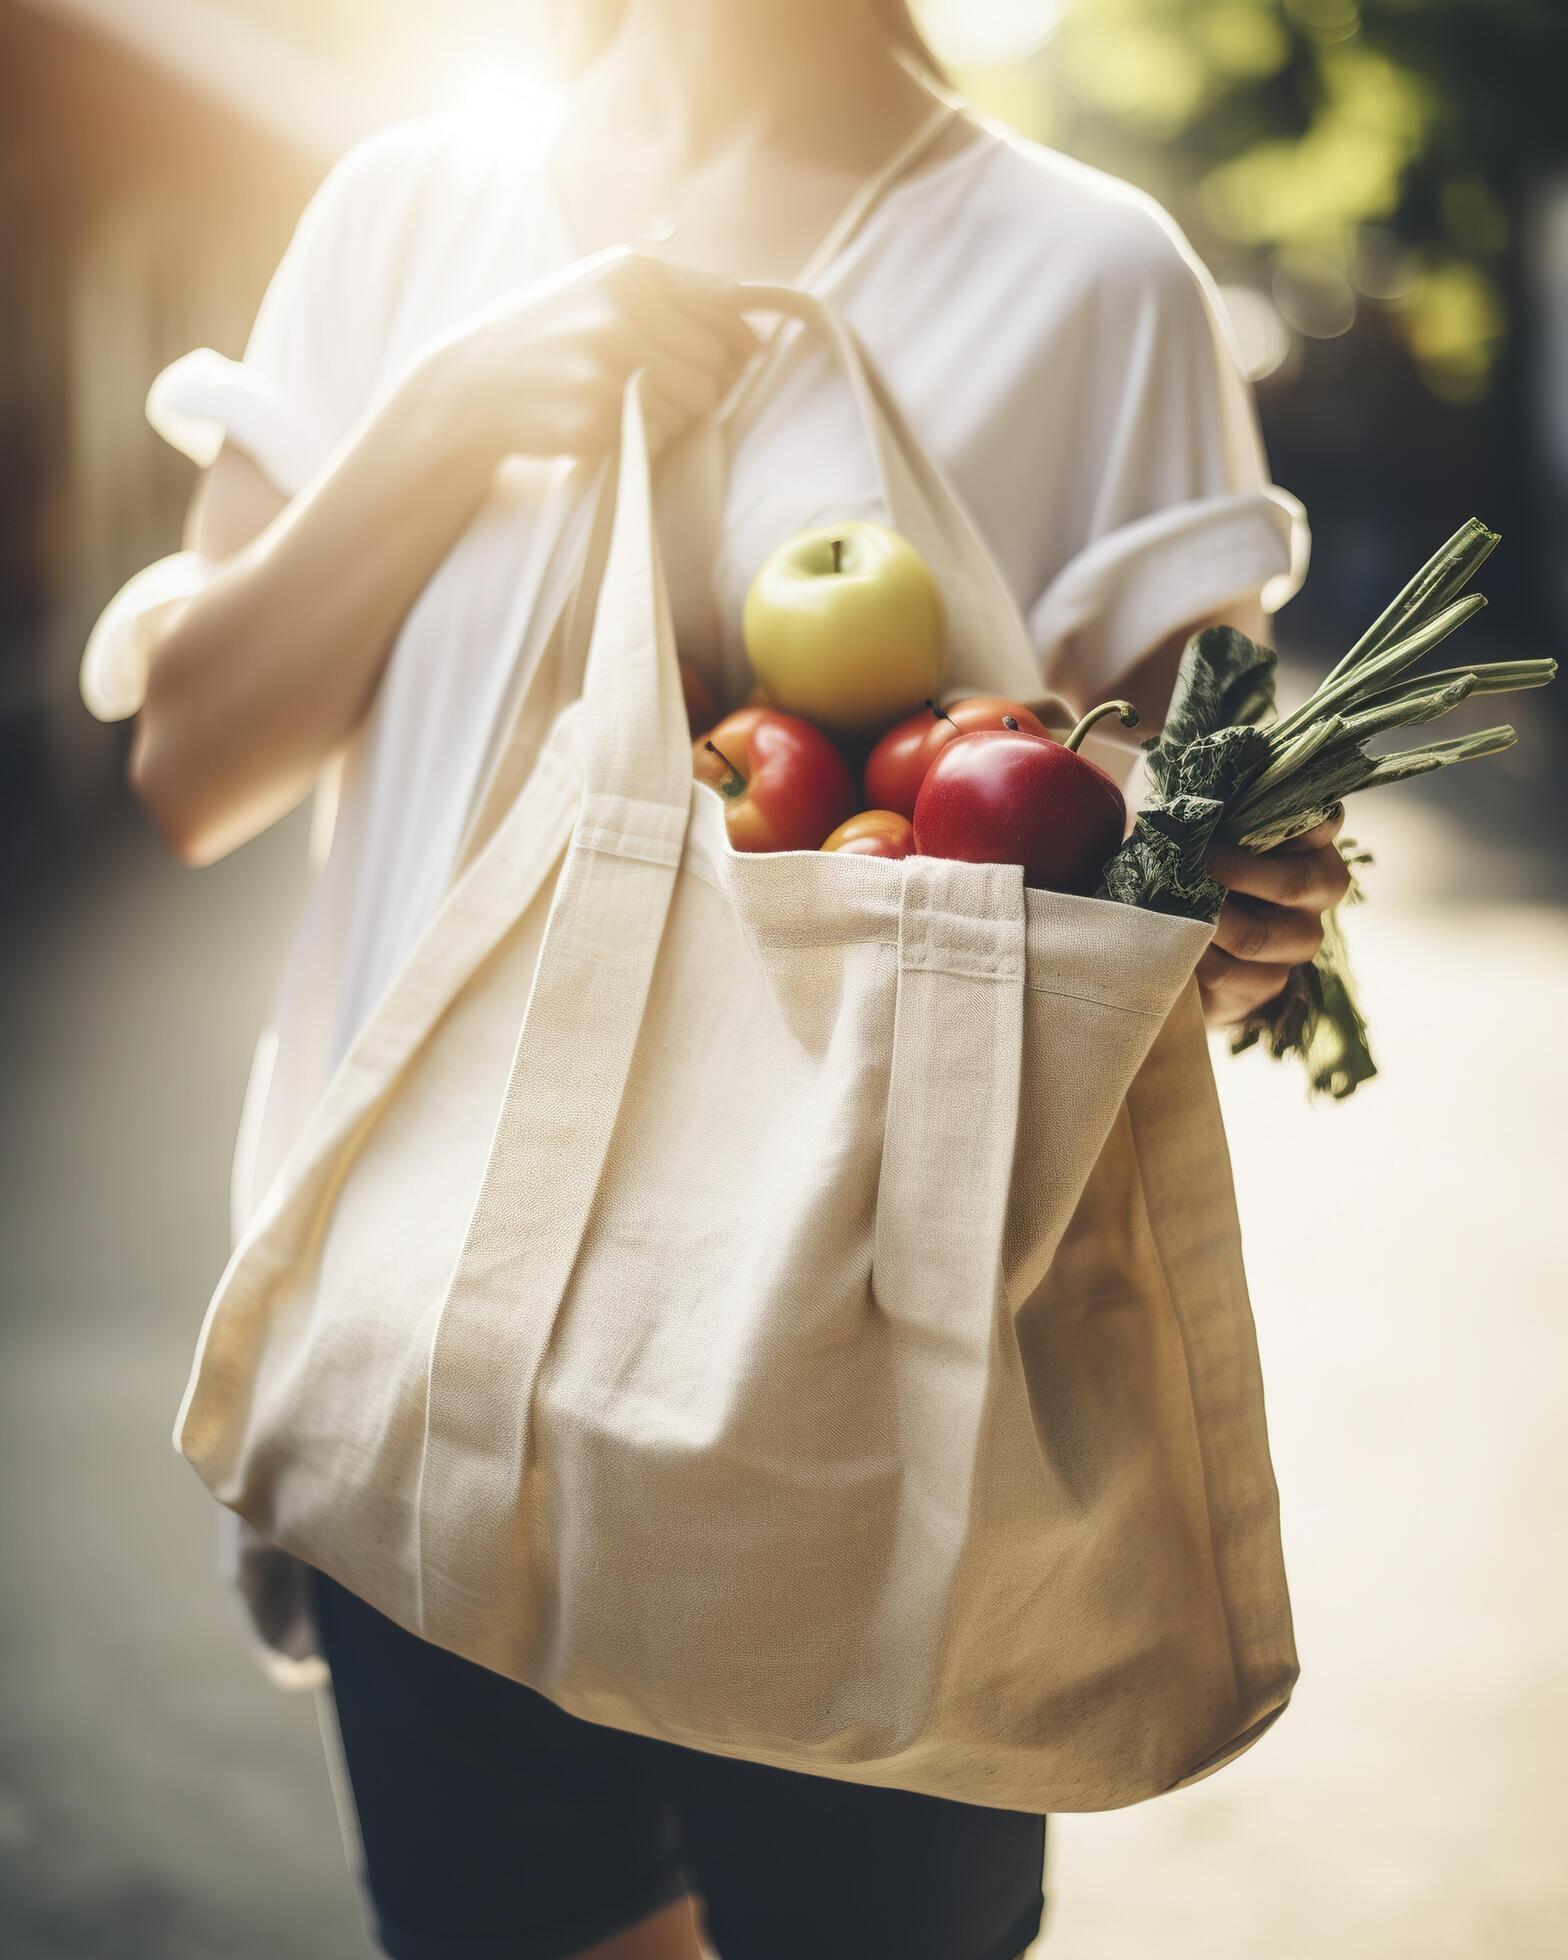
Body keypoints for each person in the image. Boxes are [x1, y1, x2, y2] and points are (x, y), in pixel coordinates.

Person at [95, 2, 1350, 1955]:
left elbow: (1160, 901)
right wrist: (444, 418)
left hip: (869, 1398)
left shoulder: (1090, 274)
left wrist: (1237, 927)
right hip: (439, 1345)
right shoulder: (406, 212)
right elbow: (189, 768)